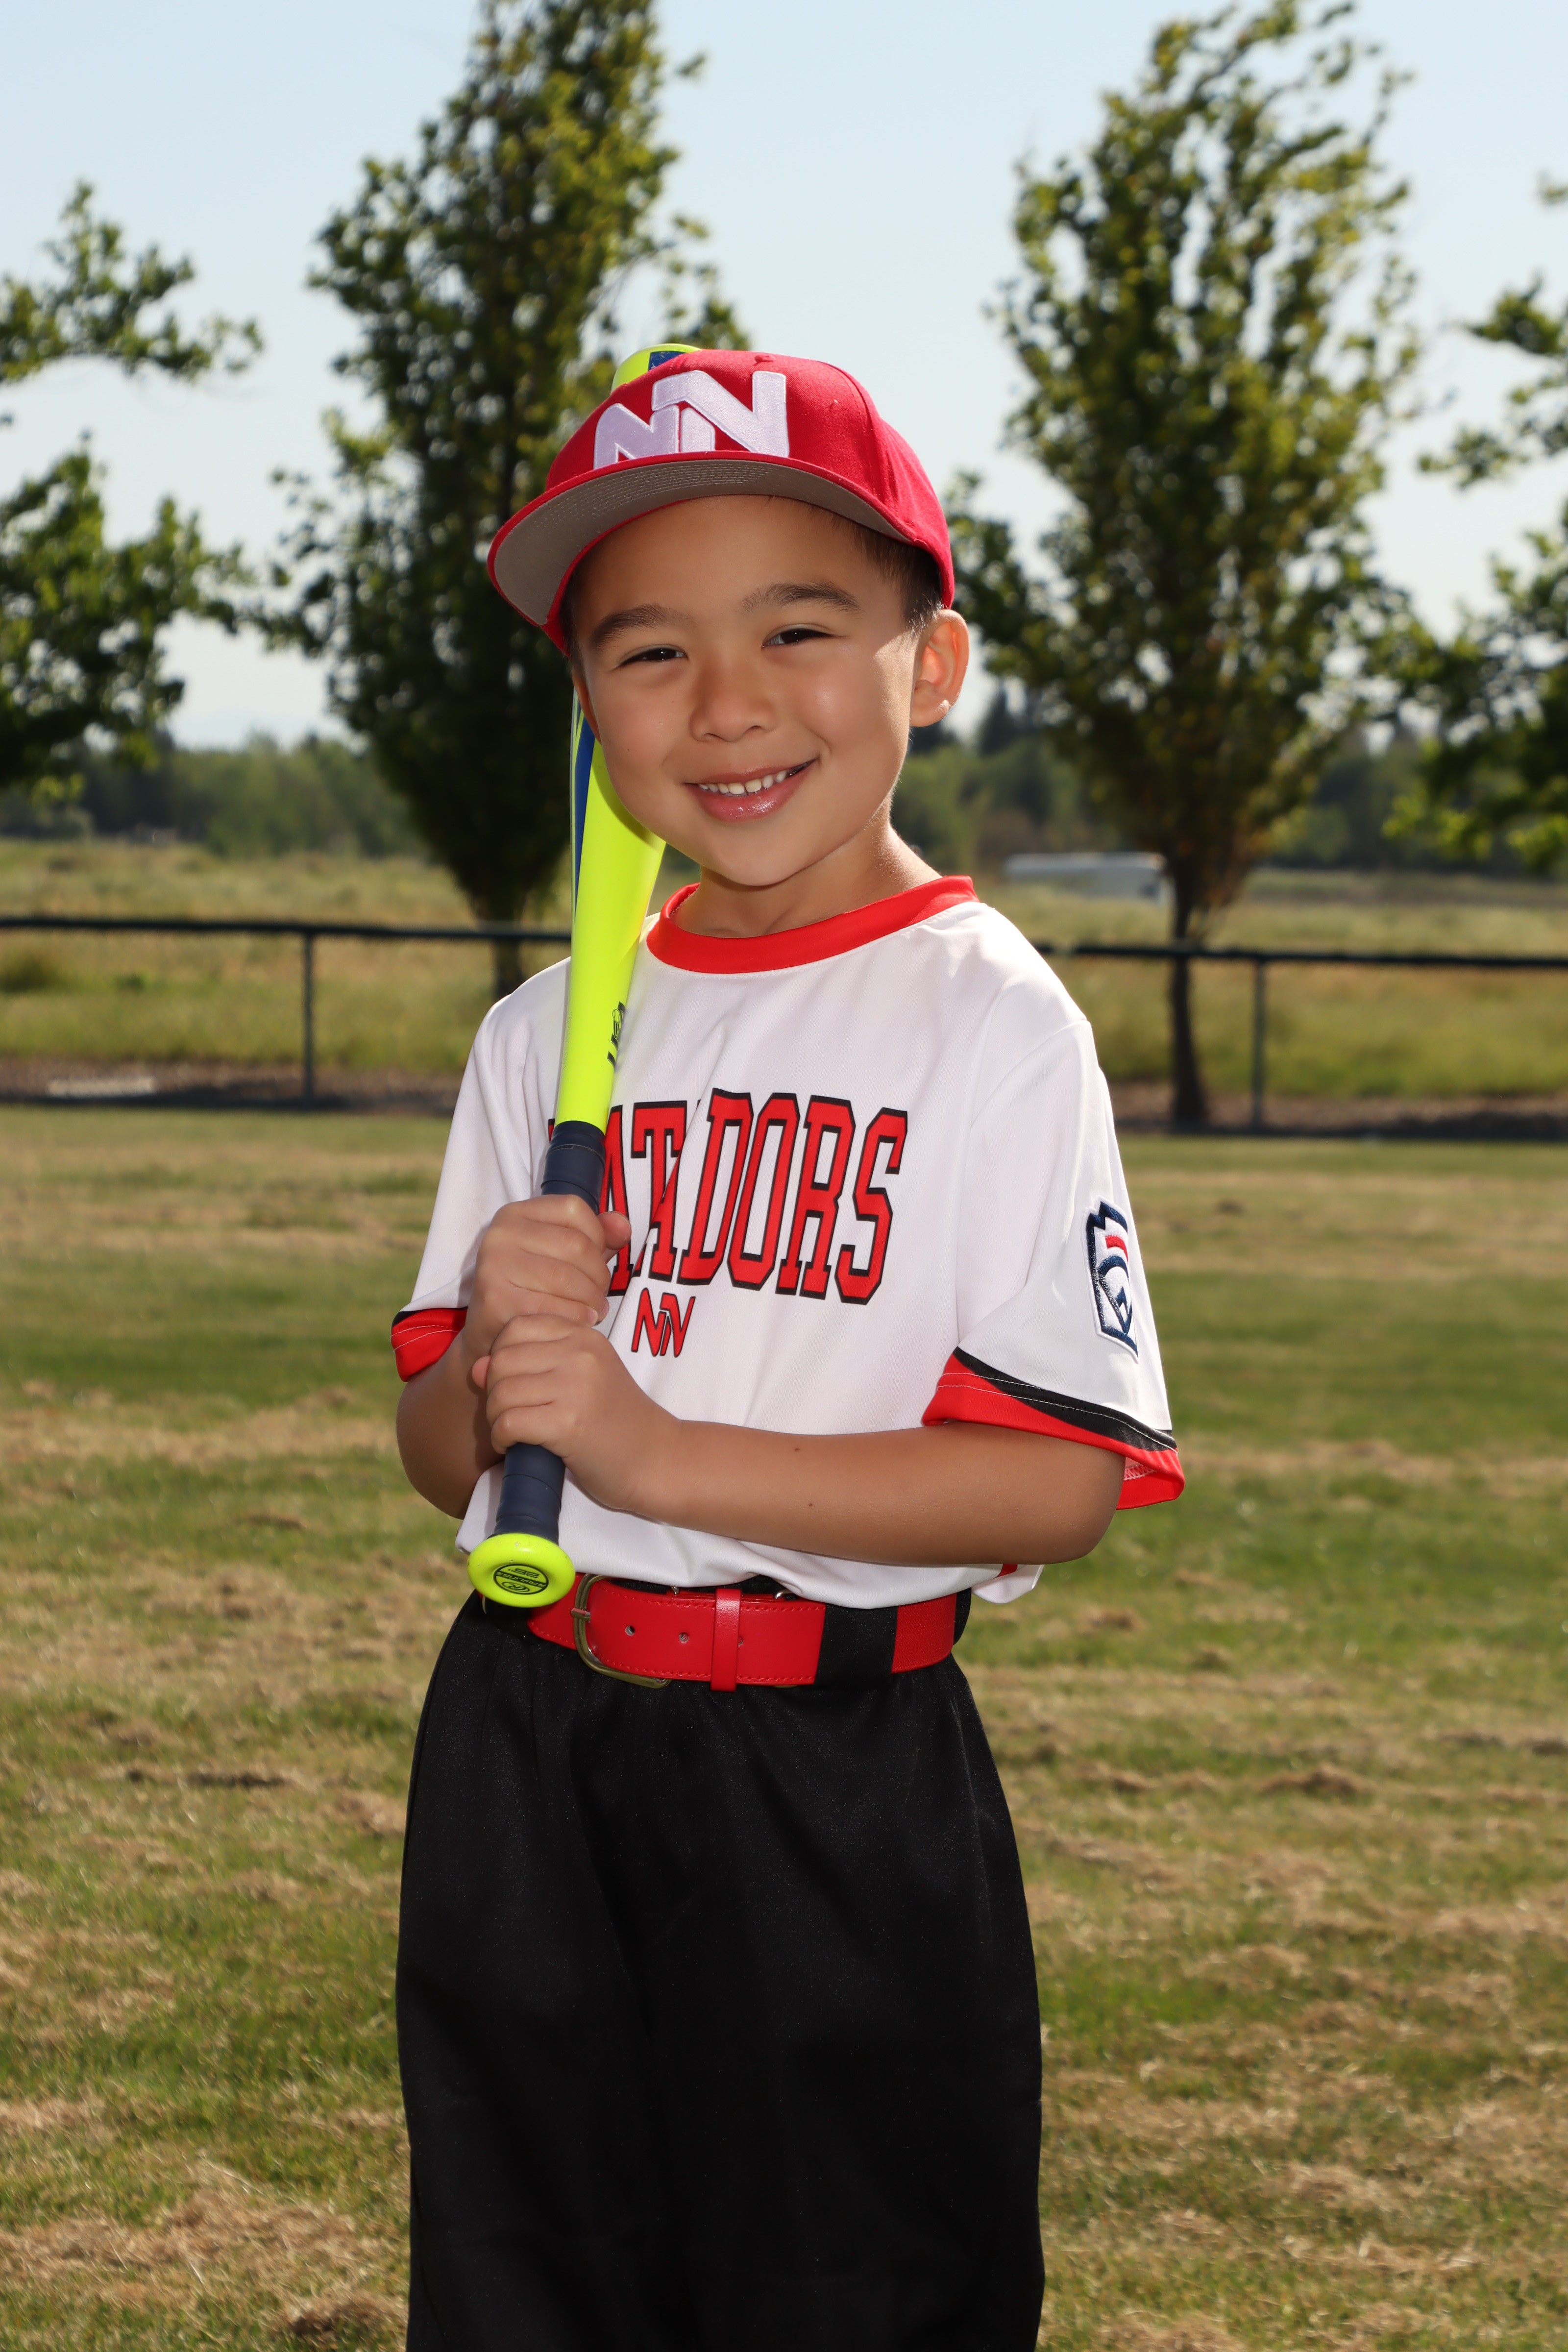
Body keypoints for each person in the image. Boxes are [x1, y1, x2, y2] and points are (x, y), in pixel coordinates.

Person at [390, 348, 1183, 2352]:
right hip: (529, 1739)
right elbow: (436, 1453)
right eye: (647, 651)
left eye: (798, 630)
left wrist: (654, 1453)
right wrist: (491, 1362)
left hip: (834, 1774)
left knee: (850, 2293)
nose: (726, 702)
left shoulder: (989, 1025)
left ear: (934, 664)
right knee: (525, 2277)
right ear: (589, 709)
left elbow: (1054, 1483)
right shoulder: (541, 1033)